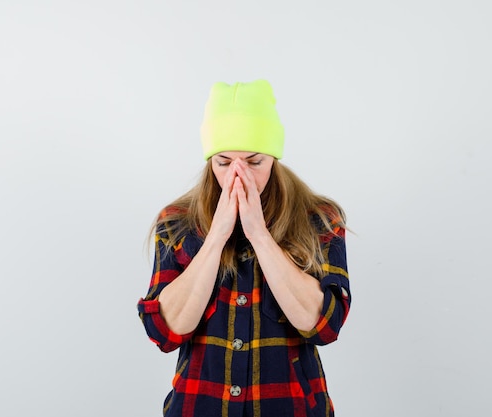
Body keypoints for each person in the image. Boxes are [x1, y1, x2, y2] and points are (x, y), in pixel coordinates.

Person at [138, 79, 351, 417]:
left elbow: (324, 325)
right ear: (210, 161)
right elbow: (165, 332)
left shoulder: (320, 219)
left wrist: (259, 234)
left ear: (274, 158)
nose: (239, 176)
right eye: (224, 163)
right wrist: (218, 235)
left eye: (254, 162)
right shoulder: (176, 222)